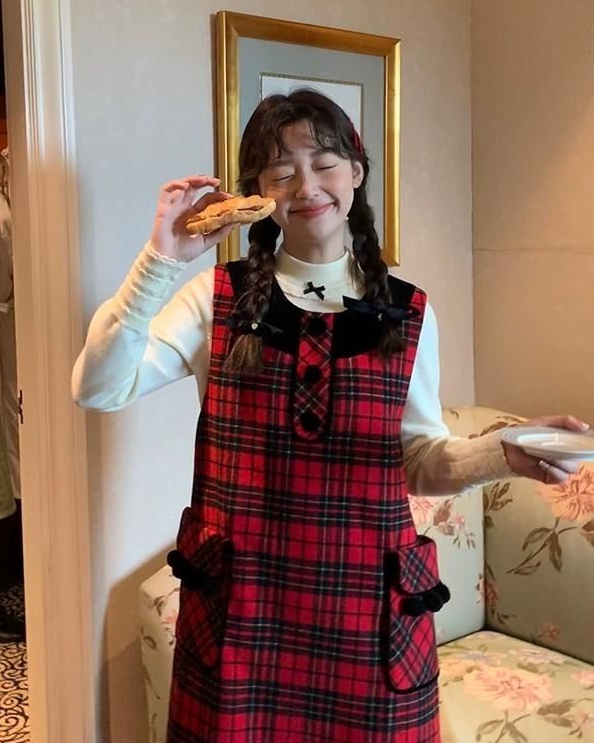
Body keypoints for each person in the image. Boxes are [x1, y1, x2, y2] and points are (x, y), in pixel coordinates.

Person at [72, 89, 587, 742]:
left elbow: (420, 463)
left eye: (324, 163)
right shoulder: (216, 299)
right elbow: (97, 387)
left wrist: (504, 451)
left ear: (357, 173)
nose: (306, 186)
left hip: (367, 619)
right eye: (280, 171)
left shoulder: (408, 313)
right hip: (242, 617)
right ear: (258, 193)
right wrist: (160, 261)